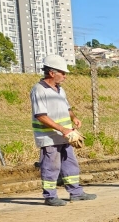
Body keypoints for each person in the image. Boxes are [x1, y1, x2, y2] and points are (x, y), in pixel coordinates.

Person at [31, 54, 97, 206]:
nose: (65, 76)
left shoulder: (60, 90)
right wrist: (62, 129)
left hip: (65, 135)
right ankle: (50, 196)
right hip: (49, 136)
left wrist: (74, 118)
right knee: (51, 166)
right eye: (63, 73)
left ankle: (76, 193)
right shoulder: (39, 90)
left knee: (70, 164)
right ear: (52, 73)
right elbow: (41, 116)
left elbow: (67, 108)